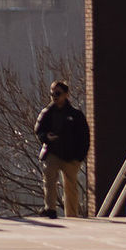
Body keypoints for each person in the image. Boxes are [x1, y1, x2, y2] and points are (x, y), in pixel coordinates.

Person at [35, 78, 92, 218]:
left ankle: (71, 215)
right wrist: (46, 138)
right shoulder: (47, 112)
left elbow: (85, 137)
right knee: (49, 178)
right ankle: (50, 209)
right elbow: (38, 130)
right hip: (52, 152)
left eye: (58, 93)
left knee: (70, 186)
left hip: (71, 156)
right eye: (52, 94)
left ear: (66, 94)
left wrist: (79, 157)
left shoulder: (76, 115)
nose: (54, 96)